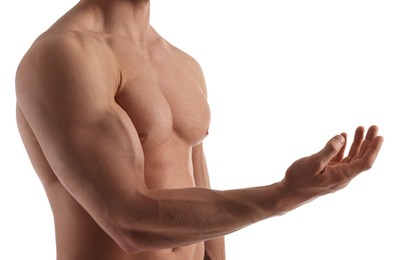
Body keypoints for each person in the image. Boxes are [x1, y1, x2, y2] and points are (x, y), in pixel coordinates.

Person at [15, 0, 384, 259]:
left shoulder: (182, 63)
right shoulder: (63, 55)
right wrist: (283, 195)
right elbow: (127, 221)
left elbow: (199, 190)